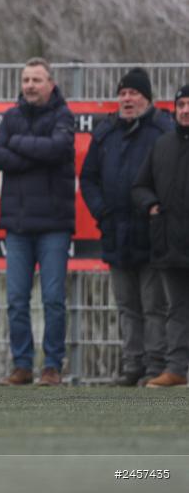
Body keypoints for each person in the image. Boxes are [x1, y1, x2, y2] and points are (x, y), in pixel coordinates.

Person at [0, 57, 75, 386]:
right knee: (16, 300)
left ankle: (52, 366)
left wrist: (17, 146)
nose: (30, 86)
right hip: (18, 225)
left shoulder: (64, 116)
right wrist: (34, 155)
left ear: (51, 83)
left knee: (52, 299)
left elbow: (59, 149)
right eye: (26, 80)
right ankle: (22, 366)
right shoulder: (11, 117)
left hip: (54, 226)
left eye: (37, 80)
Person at [81, 68, 171, 386]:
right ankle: (132, 365)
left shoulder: (164, 130)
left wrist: (159, 212)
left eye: (133, 93)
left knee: (154, 305)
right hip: (115, 232)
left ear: (147, 98)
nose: (127, 99)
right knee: (126, 305)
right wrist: (102, 213)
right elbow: (88, 177)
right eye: (122, 94)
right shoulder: (105, 133)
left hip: (152, 233)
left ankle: (155, 365)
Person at [132, 84, 189, 388]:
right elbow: (139, 186)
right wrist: (151, 206)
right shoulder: (162, 145)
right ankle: (177, 369)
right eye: (181, 104)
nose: (185, 110)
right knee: (177, 310)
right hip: (170, 245)